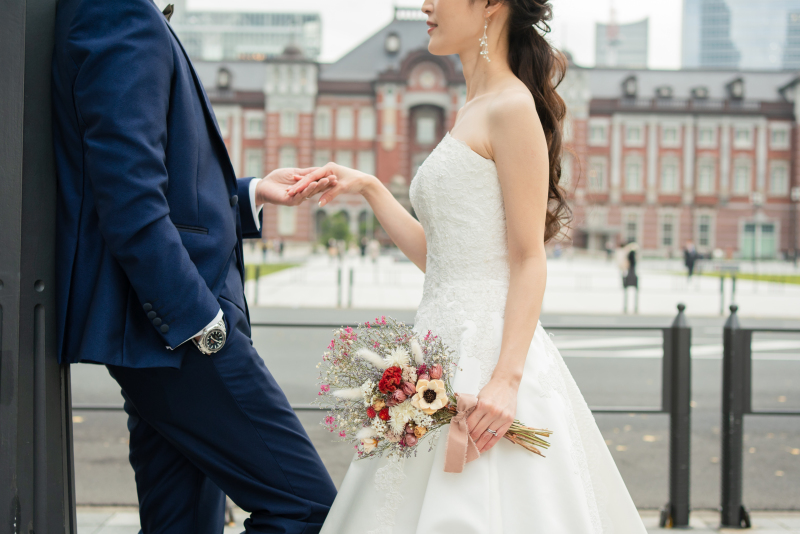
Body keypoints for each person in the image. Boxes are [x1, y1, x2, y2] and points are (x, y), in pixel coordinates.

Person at [291, 0, 646, 531]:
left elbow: (529, 258)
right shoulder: (473, 107)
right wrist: (368, 187)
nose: (426, 6)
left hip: (488, 357)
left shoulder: (510, 106)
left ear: (490, 6)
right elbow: (443, 262)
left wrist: (505, 381)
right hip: (437, 349)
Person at [51, 1, 338, 532]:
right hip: (179, 331)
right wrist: (200, 324)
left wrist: (248, 192)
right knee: (308, 509)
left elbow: (154, 179)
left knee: (180, 523)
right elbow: (129, 196)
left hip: (162, 335)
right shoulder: (119, 11)